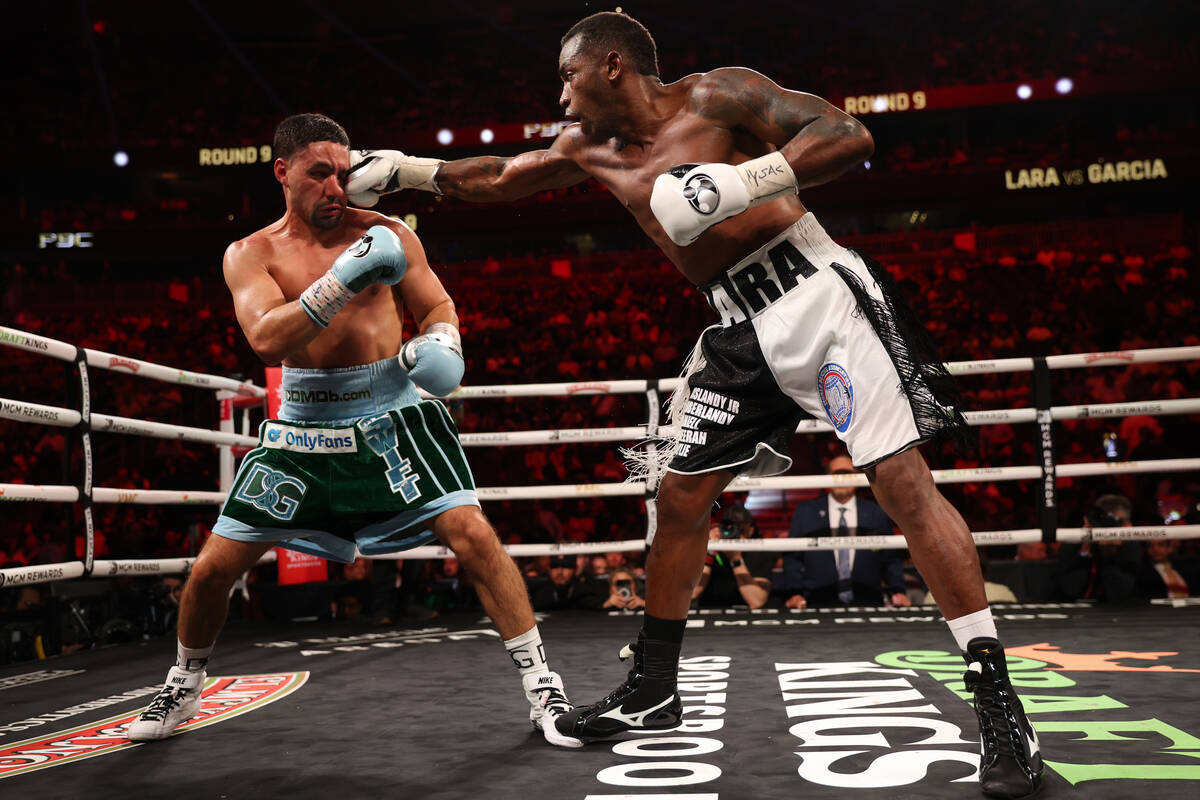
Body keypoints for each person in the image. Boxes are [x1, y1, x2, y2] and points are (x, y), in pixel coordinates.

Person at [347, 13, 1041, 795]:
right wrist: (408, 170)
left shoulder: (720, 96)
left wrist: (741, 181)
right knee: (679, 498)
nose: (562, 98)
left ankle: (997, 701)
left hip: (820, 295)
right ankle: (655, 687)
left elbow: (848, 136)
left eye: (569, 77)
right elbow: (504, 176)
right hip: (739, 327)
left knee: (900, 482)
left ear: (612, 66)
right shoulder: (588, 151)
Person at [127, 113, 579, 749]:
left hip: (392, 411)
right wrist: (345, 278)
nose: (336, 187)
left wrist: (443, 339)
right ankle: (183, 682)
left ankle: (544, 691)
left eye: (342, 173)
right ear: (282, 172)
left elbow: (437, 303)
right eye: (319, 173)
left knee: (474, 535)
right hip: (303, 428)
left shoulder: (387, 231)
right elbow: (265, 338)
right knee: (209, 572)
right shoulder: (250, 254)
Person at [781, 454, 909, 609]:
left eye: (847, 474)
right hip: (817, 600)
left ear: (857, 477)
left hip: (869, 599)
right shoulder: (806, 511)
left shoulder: (876, 512)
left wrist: (897, 590)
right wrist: (795, 593)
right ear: (827, 477)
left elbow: (890, 557)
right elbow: (793, 557)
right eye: (837, 474)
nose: (842, 479)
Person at [692, 504, 773, 609]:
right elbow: (693, 594)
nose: (736, 536)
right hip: (710, 613)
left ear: (751, 531)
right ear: (720, 529)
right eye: (731, 530)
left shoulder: (760, 553)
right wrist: (710, 551)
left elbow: (756, 601)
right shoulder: (707, 551)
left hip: (748, 618)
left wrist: (736, 559)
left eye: (741, 530)